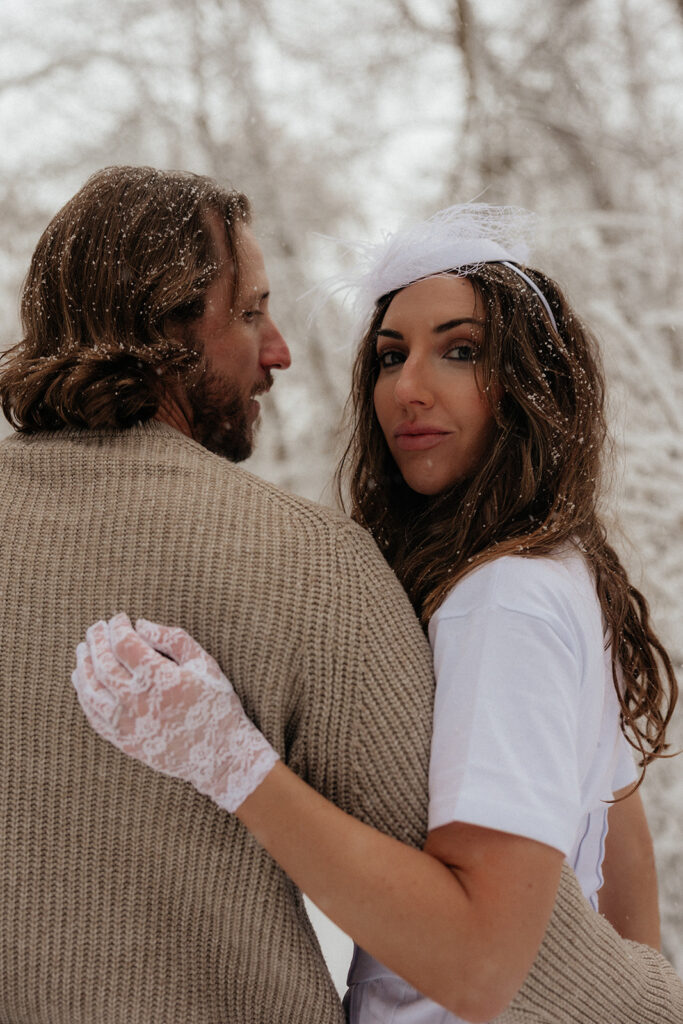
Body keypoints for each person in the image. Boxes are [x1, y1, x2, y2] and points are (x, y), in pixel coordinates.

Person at [72, 204, 681, 1023]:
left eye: (460, 351)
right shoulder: (554, 569)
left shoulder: (501, 600)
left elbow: (476, 966)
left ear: (533, 383)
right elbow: (620, 847)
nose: (408, 389)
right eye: (391, 356)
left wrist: (228, 761)